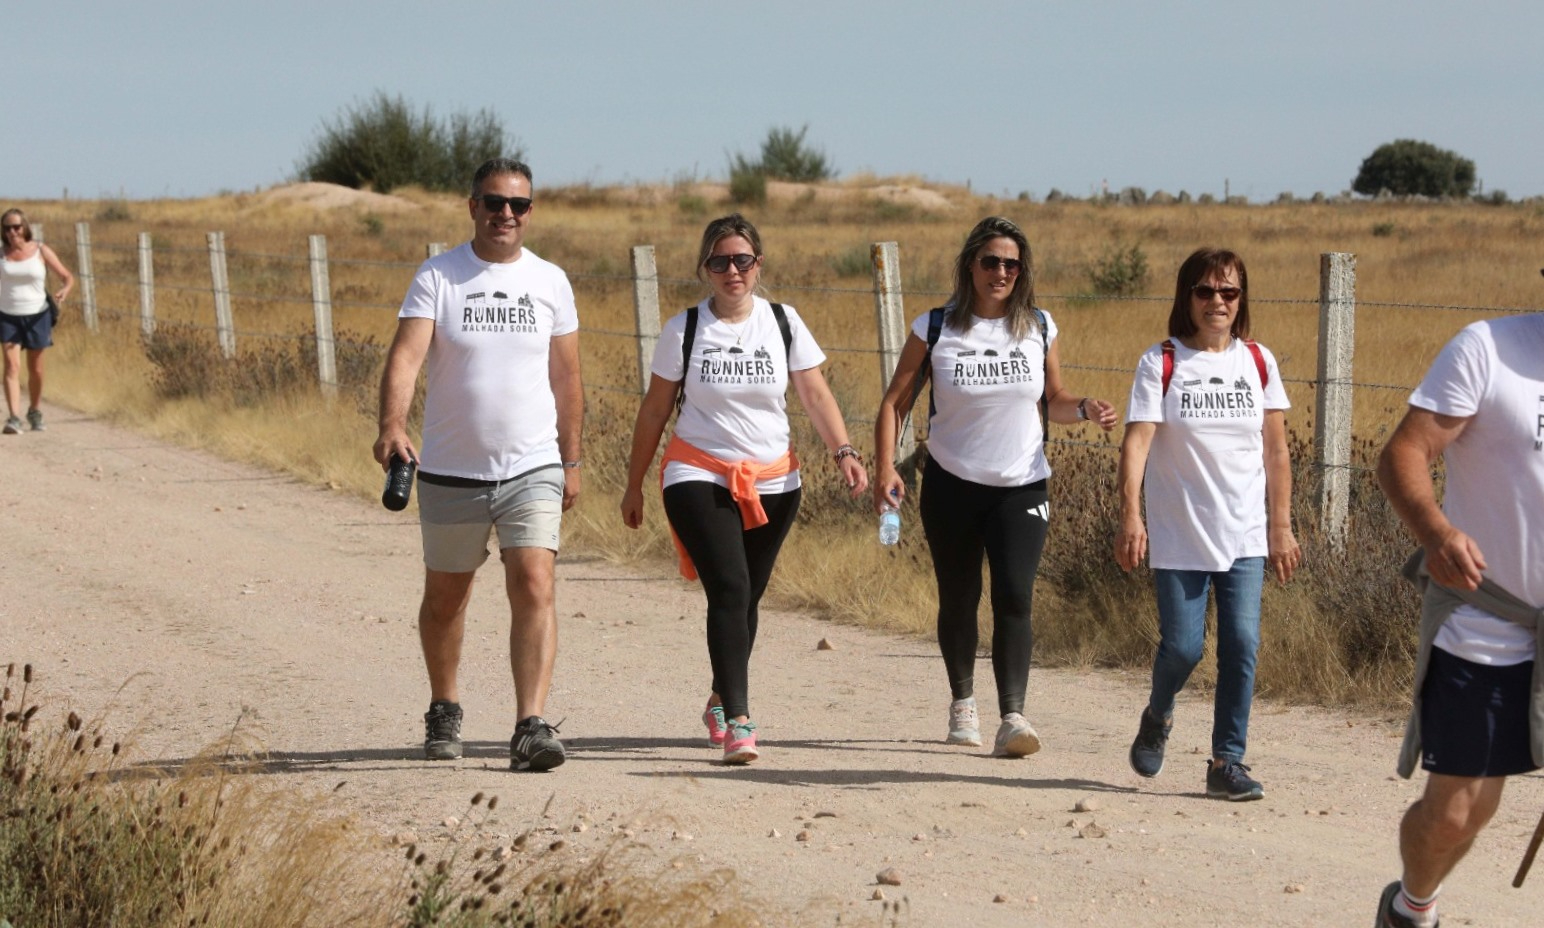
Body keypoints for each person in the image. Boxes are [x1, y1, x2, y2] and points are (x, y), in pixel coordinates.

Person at [620, 213, 868, 765]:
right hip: (698, 472)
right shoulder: (683, 329)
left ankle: (717, 697)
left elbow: (816, 396)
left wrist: (845, 452)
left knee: (747, 598)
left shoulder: (783, 322)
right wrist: (635, 483)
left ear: (759, 265)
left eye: (742, 260)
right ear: (705, 268)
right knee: (730, 588)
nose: (732, 270)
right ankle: (738, 720)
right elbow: (655, 409)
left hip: (776, 479)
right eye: (720, 261)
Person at [873, 216, 1117, 757]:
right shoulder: (934, 327)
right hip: (952, 484)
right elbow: (895, 403)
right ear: (970, 267)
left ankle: (1013, 716)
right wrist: (887, 467)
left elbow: (1051, 398)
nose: (1001, 272)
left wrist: (1082, 407)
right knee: (959, 597)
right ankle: (963, 702)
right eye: (990, 262)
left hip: (1023, 486)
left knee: (1014, 597)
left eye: (1011, 263)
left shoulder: (1039, 326)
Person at [374, 158, 583, 772]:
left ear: (530, 212)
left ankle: (531, 725)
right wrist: (391, 426)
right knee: (446, 599)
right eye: (494, 202)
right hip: (451, 469)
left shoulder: (550, 281)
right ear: (473, 206)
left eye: (518, 205)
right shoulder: (439, 276)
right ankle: (445, 707)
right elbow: (407, 357)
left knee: (535, 583)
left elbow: (567, 377)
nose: (506, 215)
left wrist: (571, 458)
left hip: (532, 465)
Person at [1371, 298, 1544, 927]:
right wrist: (1436, 532)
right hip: (1489, 622)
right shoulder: (1488, 350)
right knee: (1455, 814)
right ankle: (1411, 908)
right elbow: (1403, 454)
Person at [1114, 247, 1300, 802]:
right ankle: (1158, 713)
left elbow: (1277, 451)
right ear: (1186, 297)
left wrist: (1281, 526)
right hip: (1179, 533)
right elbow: (1137, 443)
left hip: (1244, 532)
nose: (1217, 302)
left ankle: (1228, 762)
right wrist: (1131, 515)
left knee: (1242, 643)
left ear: (1241, 299)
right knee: (1184, 649)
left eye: (1229, 292)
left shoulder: (1259, 361)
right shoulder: (1162, 362)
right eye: (1205, 291)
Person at [1, 208, 74, 434]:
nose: (12, 232)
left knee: (36, 369)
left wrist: (64, 290)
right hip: (7, 316)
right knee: (11, 366)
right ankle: (13, 417)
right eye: (7, 228)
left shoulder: (40, 250)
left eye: (16, 227)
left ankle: (34, 410)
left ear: (25, 227)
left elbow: (67, 276)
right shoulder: (1, 254)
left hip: (37, 316)